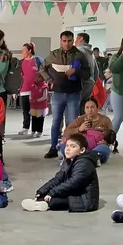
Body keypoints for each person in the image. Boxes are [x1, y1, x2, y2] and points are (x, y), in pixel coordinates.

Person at [40, 31, 92, 159]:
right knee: (56, 121)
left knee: (72, 123)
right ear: (60, 41)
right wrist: (49, 80)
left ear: (73, 40)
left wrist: (76, 71)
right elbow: (42, 68)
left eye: (69, 41)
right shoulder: (54, 54)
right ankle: (53, 147)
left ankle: (70, 149)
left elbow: (88, 73)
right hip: (57, 93)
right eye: (64, 41)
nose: (67, 43)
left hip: (73, 94)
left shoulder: (79, 55)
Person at [22, 133, 99, 213]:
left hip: (85, 200)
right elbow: (58, 178)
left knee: (53, 200)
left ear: (82, 150)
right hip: (74, 193)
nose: (68, 149)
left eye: (73, 146)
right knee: (43, 196)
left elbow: (74, 182)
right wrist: (42, 191)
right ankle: (40, 202)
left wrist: (52, 193)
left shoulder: (85, 163)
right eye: (67, 146)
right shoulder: (68, 160)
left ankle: (44, 205)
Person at [17, 43, 47, 137]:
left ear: (30, 50)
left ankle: (38, 130)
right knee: (25, 110)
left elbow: (44, 72)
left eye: (24, 50)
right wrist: (16, 90)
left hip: (35, 90)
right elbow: (19, 77)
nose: (22, 52)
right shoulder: (21, 62)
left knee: (36, 112)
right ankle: (25, 128)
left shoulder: (38, 60)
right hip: (24, 89)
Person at [75, 32, 99, 109]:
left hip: (81, 84)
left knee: (76, 108)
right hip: (90, 84)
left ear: (80, 39)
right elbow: (96, 71)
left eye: (76, 39)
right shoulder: (91, 53)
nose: (75, 41)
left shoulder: (78, 50)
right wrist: (92, 81)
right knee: (84, 109)